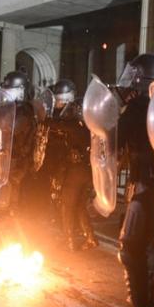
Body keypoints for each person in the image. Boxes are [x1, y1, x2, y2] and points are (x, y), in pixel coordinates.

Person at [109, 53, 154, 307]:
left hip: (143, 185)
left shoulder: (136, 109)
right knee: (149, 244)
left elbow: (113, 140)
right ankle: (150, 299)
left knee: (130, 246)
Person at [0, 71, 37, 246]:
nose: (6, 92)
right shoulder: (18, 111)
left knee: (0, 209)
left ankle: (12, 250)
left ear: (20, 90)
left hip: (11, 166)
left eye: (9, 88)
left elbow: (8, 134)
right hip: (12, 165)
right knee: (9, 209)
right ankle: (18, 248)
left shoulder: (22, 113)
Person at [54, 97, 97, 251]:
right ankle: (90, 237)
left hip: (75, 172)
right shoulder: (90, 127)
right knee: (80, 206)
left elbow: (58, 125)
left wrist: (43, 118)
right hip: (87, 172)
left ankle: (70, 241)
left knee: (68, 206)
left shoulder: (76, 127)